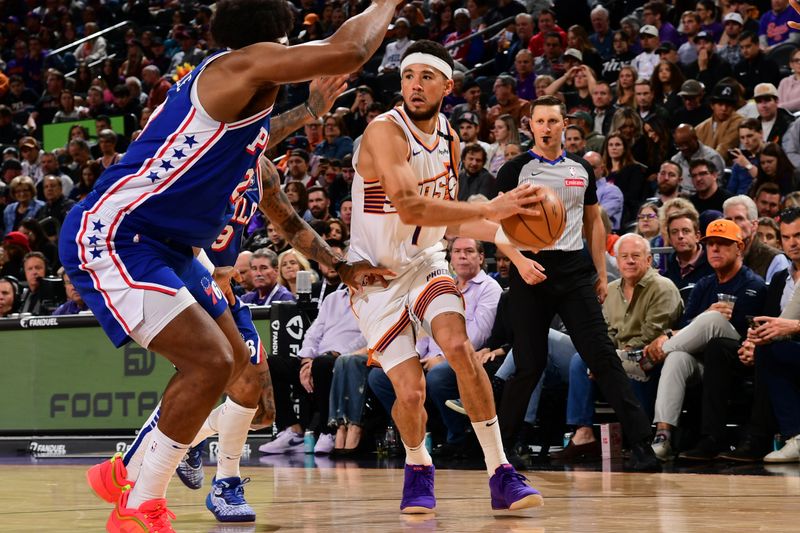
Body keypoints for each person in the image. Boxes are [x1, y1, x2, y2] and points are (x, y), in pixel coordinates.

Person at [64, 0, 400, 529]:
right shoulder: (238, 67)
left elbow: (281, 199)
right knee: (211, 364)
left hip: (173, 247)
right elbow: (351, 49)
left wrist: (339, 265)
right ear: (277, 40)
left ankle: (127, 474)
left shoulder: (243, 109)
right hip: (122, 232)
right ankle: (140, 498)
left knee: (243, 369)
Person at [351, 40, 545, 513]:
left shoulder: (451, 141)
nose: (415, 85)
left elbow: (448, 221)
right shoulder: (384, 131)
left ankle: (500, 471)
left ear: (447, 85)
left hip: (426, 261)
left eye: (426, 77)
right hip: (375, 278)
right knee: (412, 392)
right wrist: (488, 206)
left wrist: (511, 244)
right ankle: (418, 465)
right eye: (408, 76)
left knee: (459, 347)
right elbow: (410, 204)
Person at [496, 95, 660, 472]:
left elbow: (594, 222)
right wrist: (519, 263)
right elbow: (495, 224)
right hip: (530, 268)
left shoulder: (581, 170)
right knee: (529, 366)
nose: (547, 128)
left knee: (602, 355)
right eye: (540, 122)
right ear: (531, 125)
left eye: (554, 121)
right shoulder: (515, 170)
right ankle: (501, 450)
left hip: (572, 270)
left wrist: (602, 273)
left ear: (565, 123)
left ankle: (642, 445)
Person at [645, 219, 767, 460]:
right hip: (705, 361)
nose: (714, 249)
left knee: (712, 320)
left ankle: (646, 360)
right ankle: (663, 436)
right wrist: (704, 316)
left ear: (739, 248)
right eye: (710, 244)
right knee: (678, 357)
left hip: (740, 357)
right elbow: (687, 327)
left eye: (722, 244)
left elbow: (751, 332)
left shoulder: (754, 285)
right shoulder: (704, 284)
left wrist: (702, 320)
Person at [554, 233, 683, 461]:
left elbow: (652, 333)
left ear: (649, 259)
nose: (630, 261)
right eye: (624, 256)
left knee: (622, 364)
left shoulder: (663, 287)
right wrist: (603, 356)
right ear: (617, 260)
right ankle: (583, 433)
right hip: (617, 356)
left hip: (649, 359)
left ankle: (640, 441)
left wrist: (611, 358)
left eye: (636, 256)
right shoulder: (611, 289)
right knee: (580, 359)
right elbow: (605, 331)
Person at [723, 195, 790, 283]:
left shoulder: (775, 259)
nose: (732, 224)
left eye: (739, 219)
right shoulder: (718, 254)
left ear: (754, 225)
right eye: (728, 219)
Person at [664, 207, 715, 291]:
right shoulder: (670, 267)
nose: (680, 236)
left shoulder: (713, 264)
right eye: (674, 232)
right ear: (669, 239)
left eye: (686, 231)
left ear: (697, 236)